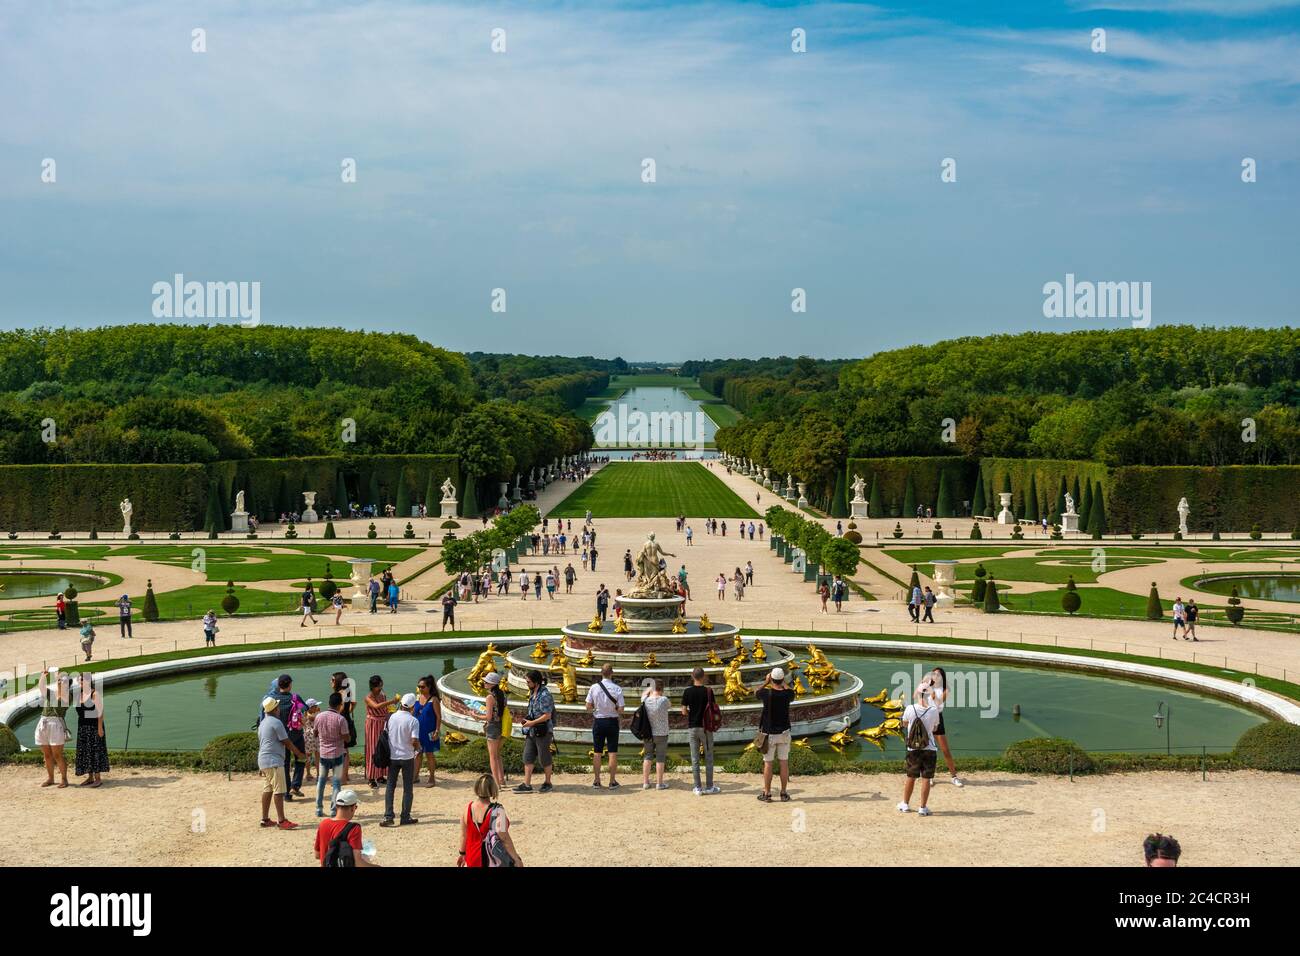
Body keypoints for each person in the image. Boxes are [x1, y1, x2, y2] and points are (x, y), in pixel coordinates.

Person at [258, 696, 305, 830]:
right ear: (275, 709)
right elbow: (287, 741)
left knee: (267, 789)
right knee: (279, 791)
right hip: (274, 760)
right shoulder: (276, 722)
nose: (279, 709)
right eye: (277, 707)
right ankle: (282, 820)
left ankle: (265, 819)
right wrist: (299, 754)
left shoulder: (262, 723)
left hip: (263, 760)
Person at [459, 774, 523, 867]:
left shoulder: (467, 809)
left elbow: (463, 835)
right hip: (491, 858)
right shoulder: (497, 811)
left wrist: (462, 854)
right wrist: (516, 858)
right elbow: (504, 838)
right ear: (493, 789)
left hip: (471, 857)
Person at [897, 683, 941, 816]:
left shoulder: (910, 708)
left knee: (911, 776)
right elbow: (934, 729)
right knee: (926, 778)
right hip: (929, 748)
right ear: (930, 695)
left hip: (913, 748)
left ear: (917, 693)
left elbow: (904, 724)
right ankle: (922, 807)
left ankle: (905, 804)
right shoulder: (934, 711)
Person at [918, 667, 963, 787]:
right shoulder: (926, 685)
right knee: (928, 749)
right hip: (926, 718)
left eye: (938, 675)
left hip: (937, 718)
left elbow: (939, 703)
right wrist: (921, 686)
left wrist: (931, 692)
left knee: (945, 750)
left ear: (942, 677)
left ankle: (954, 776)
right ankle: (929, 775)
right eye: (934, 674)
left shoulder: (946, 689)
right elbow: (917, 698)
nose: (936, 676)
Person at [381, 693, 421, 827]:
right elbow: (414, 740)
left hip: (392, 757)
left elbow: (385, 734)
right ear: (412, 706)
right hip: (407, 757)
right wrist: (419, 748)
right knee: (408, 788)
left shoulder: (391, 717)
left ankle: (388, 816)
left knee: (390, 787)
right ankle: (405, 816)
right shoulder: (413, 721)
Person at [755, 667, 794, 802]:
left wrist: (766, 682)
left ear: (771, 679)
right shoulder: (787, 694)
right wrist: (784, 683)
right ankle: (783, 793)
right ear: (782, 680)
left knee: (768, 764)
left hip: (769, 734)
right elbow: (791, 691)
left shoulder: (766, 693)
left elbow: (756, 692)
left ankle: (767, 793)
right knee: (784, 763)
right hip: (784, 733)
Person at [515, 670, 556, 794]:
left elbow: (547, 715)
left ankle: (548, 782)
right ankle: (527, 784)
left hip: (543, 730)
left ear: (536, 682)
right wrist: (527, 720)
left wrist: (531, 723)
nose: (526, 683)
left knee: (544, 757)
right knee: (527, 756)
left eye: (528, 681)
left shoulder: (545, 695)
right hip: (532, 730)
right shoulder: (533, 693)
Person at [585, 663, 624, 788]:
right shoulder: (617, 688)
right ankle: (612, 781)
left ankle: (597, 781)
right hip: (612, 721)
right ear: (612, 673)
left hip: (599, 721)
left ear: (601, 673)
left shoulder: (594, 687)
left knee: (597, 751)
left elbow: (588, 706)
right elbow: (621, 709)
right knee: (612, 752)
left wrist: (596, 709)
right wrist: (614, 709)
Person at [315, 789, 377, 867]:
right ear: (352, 808)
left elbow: (317, 855)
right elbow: (358, 863)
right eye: (356, 807)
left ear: (336, 806)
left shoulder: (323, 824)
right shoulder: (354, 828)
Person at [681, 667, 719, 795]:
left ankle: (697, 787)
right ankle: (709, 786)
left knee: (694, 757)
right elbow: (713, 709)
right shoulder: (708, 691)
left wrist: (692, 713)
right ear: (703, 676)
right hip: (706, 728)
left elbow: (683, 711)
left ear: (692, 676)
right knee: (709, 757)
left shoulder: (687, 692)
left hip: (693, 727)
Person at [314, 693, 349, 817]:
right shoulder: (341, 719)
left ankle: (318, 808)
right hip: (337, 754)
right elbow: (347, 738)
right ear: (340, 705)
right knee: (336, 783)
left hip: (324, 753)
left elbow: (315, 733)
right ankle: (334, 810)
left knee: (321, 781)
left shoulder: (319, 716)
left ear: (329, 703)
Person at [36, 670, 72, 788]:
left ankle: (64, 779)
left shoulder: (68, 696)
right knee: (47, 755)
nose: (59, 682)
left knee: (57, 755)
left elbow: (60, 699)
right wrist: (43, 676)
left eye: (62, 680)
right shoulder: (51, 693)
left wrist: (59, 681)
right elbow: (41, 687)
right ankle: (50, 778)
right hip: (44, 722)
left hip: (56, 724)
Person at [71, 675, 109, 787]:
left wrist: (100, 728)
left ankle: (98, 778)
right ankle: (90, 777)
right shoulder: (79, 695)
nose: (80, 681)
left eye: (82, 679)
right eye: (79, 680)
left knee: (95, 751)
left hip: (94, 726)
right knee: (86, 751)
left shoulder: (95, 694)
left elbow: (100, 712)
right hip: (82, 727)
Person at [364, 675, 396, 788]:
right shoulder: (368, 697)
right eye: (378, 686)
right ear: (373, 687)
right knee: (372, 749)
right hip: (373, 724)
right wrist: (392, 701)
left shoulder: (383, 695)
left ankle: (380, 775)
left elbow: (385, 709)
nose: (380, 688)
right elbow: (376, 706)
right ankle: (371, 777)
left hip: (382, 723)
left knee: (382, 748)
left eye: (381, 685)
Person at [640, 679, 671, 790]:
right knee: (660, 758)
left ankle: (645, 782)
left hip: (648, 733)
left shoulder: (646, 700)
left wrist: (650, 688)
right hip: (662, 733)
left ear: (652, 689)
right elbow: (669, 706)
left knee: (648, 756)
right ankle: (659, 783)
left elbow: (643, 694)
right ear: (662, 689)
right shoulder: (664, 700)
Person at [413, 675, 442, 787]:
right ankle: (415, 776)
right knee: (418, 754)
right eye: (419, 686)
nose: (420, 689)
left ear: (429, 687)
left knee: (429, 754)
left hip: (429, 732)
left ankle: (432, 777)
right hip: (417, 732)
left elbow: (439, 717)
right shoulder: (417, 697)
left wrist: (437, 731)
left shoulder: (434, 700)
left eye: (423, 686)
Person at [482, 672, 507, 788]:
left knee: (492, 756)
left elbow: (488, 717)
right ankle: (502, 780)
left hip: (492, 727)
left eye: (486, 682)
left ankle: (497, 784)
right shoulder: (502, 694)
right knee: (498, 754)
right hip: (501, 726)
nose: (484, 683)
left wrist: (475, 716)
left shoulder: (490, 697)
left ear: (492, 684)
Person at [331, 672, 357, 784]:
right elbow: (354, 703)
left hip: (341, 722)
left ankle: (343, 778)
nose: (331, 682)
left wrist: (334, 715)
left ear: (337, 681)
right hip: (346, 720)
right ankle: (345, 776)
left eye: (332, 680)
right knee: (345, 749)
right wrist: (348, 712)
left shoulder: (340, 693)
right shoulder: (347, 692)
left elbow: (340, 709)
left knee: (342, 750)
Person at [302, 698, 321, 784]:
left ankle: (309, 774)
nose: (317, 707)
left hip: (308, 737)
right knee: (316, 756)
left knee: (308, 756)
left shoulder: (305, 713)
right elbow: (316, 719)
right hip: (313, 737)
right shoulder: (310, 715)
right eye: (315, 706)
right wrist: (319, 712)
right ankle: (317, 774)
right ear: (311, 707)